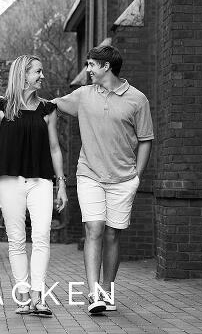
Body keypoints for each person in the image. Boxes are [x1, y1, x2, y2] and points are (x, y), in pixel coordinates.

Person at [51, 45, 154, 314]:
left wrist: (137, 176)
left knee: (112, 234)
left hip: (123, 178)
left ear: (106, 66)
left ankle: (108, 290)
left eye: (92, 65)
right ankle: (94, 293)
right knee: (94, 228)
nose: (88, 70)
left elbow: (145, 140)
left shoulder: (137, 99)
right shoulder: (83, 95)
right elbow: (50, 105)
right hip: (90, 174)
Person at [0, 55, 68, 317]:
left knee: (41, 237)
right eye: (38, 71)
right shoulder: (1, 106)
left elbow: (55, 148)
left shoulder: (48, 109)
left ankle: (39, 296)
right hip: (9, 181)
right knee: (16, 240)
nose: (42, 76)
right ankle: (23, 296)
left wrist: (62, 185)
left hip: (41, 181)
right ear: (23, 75)